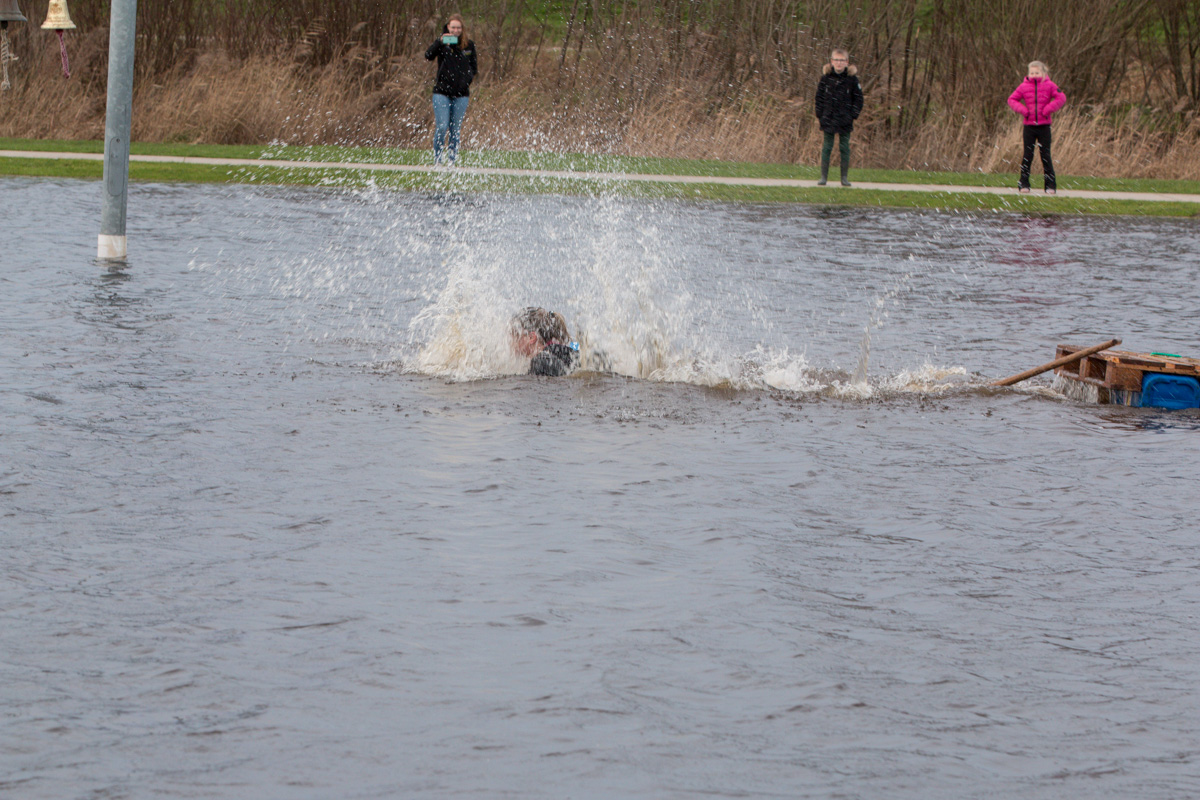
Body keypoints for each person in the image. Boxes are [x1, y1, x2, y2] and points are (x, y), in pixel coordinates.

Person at [425, 14, 477, 166]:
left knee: (455, 129)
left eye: (458, 28)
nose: (456, 30)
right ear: (448, 27)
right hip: (442, 92)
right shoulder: (442, 44)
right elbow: (428, 55)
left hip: (461, 94)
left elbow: (473, 68)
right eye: (453, 27)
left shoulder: (469, 45)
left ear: (462, 29)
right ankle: (438, 160)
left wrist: (466, 81)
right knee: (442, 126)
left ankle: (452, 161)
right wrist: (439, 42)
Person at [1007, 60, 1066, 194]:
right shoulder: (1023, 86)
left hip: (1044, 126)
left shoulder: (1050, 85)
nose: (1034, 75)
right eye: (1032, 73)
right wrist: (1024, 111)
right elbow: (1012, 99)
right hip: (1029, 127)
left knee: (1045, 155)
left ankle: (1050, 186)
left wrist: (1047, 110)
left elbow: (1061, 98)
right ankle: (1024, 184)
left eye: (1037, 73)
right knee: (1027, 155)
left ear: (1043, 73)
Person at [814, 48, 863, 187]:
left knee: (844, 148)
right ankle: (823, 177)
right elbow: (819, 98)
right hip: (828, 118)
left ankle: (844, 178)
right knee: (827, 147)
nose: (839, 63)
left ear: (847, 62)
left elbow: (858, 100)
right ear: (831, 61)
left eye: (842, 60)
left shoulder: (852, 80)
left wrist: (852, 115)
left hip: (845, 119)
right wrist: (820, 115)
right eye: (836, 60)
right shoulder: (825, 79)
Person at [510, 307, 579, 377]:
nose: (510, 341)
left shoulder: (540, 362)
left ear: (531, 338)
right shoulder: (561, 355)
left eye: (515, 335)